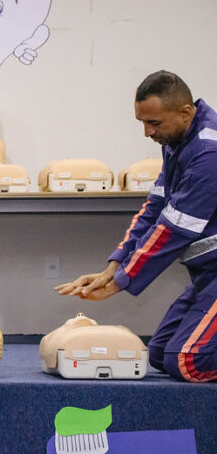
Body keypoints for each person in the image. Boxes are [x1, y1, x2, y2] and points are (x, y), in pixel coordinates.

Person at [55, 70, 217, 382]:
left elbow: (174, 229)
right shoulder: (178, 140)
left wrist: (119, 282)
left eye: (154, 123)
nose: (146, 132)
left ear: (185, 112)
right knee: (157, 354)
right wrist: (113, 267)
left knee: (188, 362)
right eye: (142, 122)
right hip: (207, 273)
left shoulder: (209, 153)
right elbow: (154, 209)